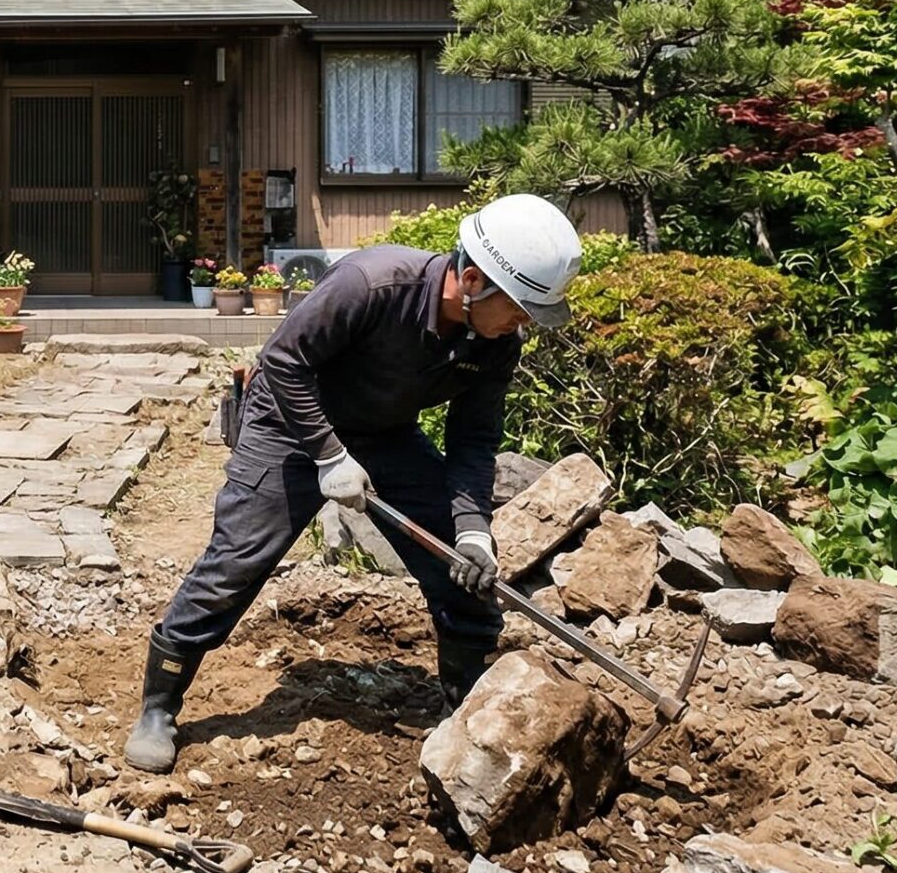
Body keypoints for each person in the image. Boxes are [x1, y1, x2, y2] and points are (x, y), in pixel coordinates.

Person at [123, 194, 583, 774]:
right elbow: (285, 359)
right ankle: (159, 705)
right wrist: (327, 454)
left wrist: (472, 532)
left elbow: (474, 439)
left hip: (383, 434)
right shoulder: (373, 283)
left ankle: (465, 709)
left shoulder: (493, 345)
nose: (520, 326)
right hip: (289, 423)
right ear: (471, 280)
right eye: (518, 311)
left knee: (462, 573)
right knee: (236, 562)